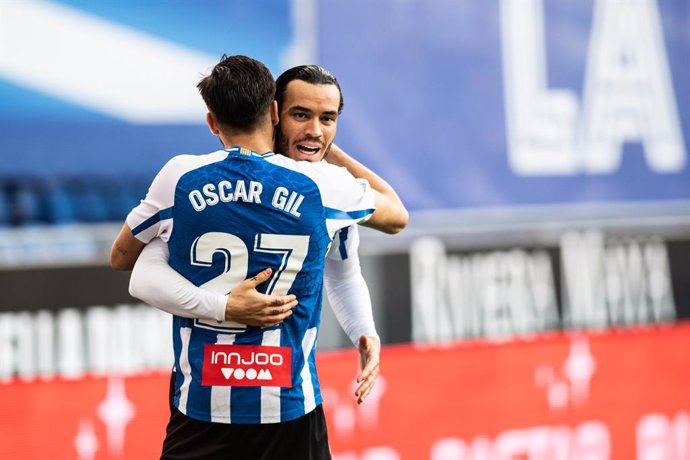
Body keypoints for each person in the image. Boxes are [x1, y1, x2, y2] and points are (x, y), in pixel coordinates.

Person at [110, 55, 407, 459]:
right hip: (285, 408)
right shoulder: (326, 188)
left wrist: (363, 329)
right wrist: (332, 155)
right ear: (273, 113)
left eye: (327, 120)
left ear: (213, 121)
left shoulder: (182, 178)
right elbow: (397, 215)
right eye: (301, 114)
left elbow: (342, 268)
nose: (315, 130)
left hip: (201, 405)